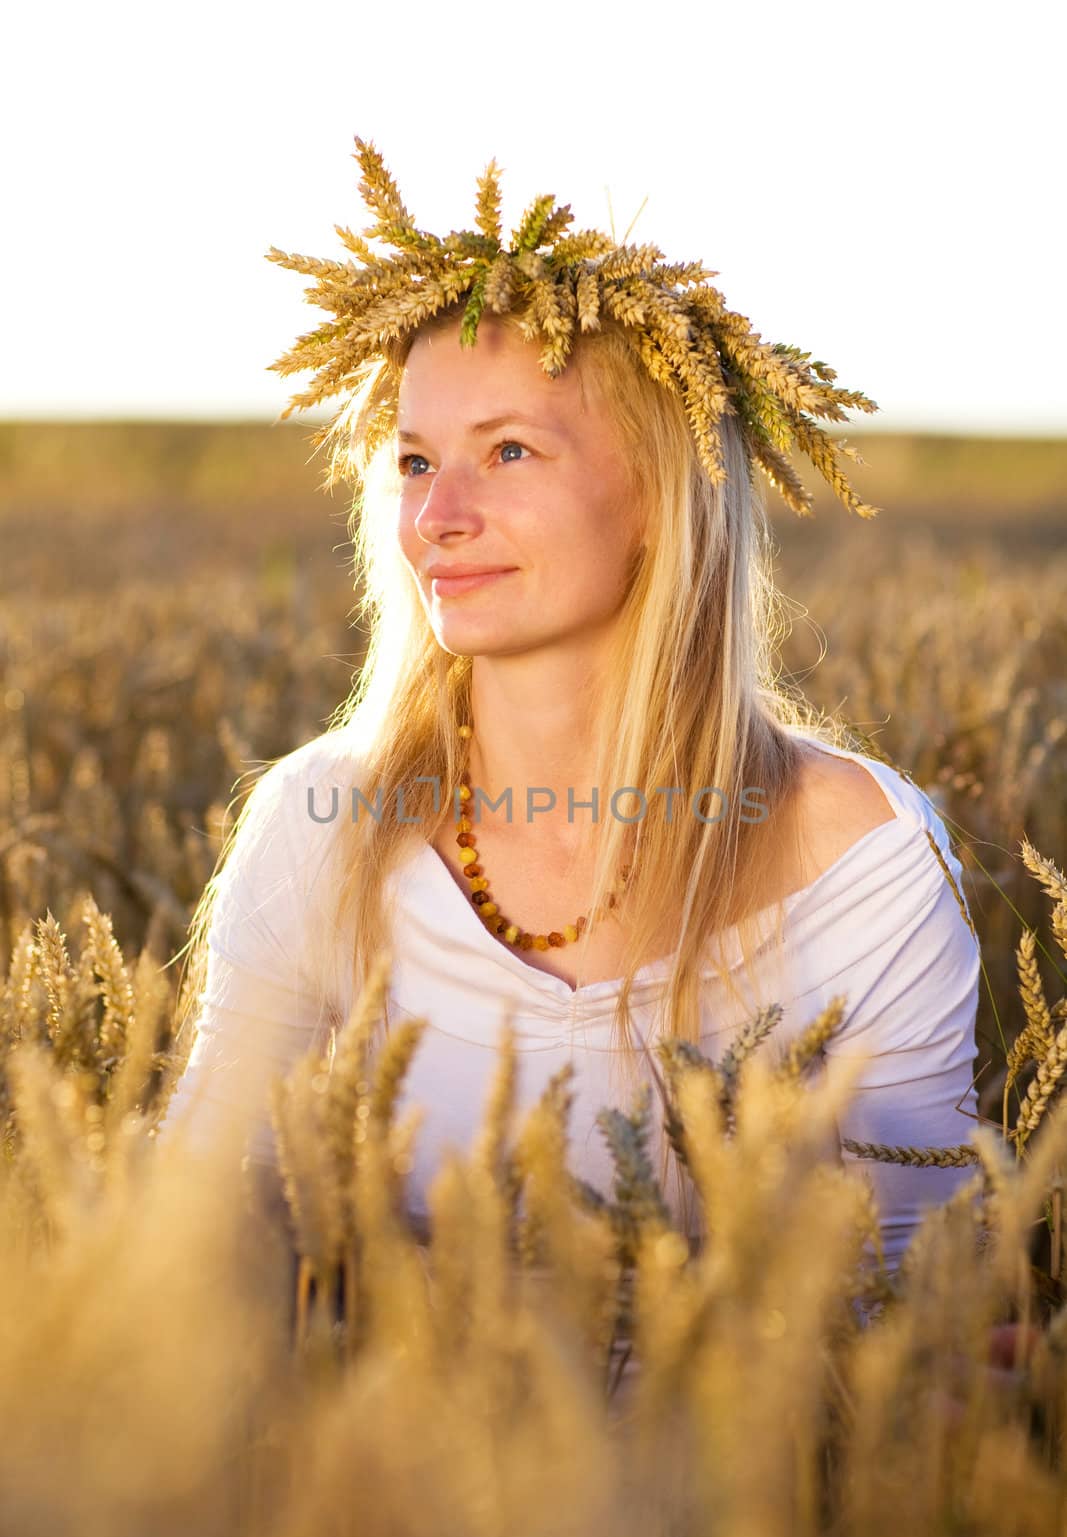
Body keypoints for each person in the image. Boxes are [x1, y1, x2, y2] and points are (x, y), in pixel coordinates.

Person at [158, 138, 982, 1287]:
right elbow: (192, 1256)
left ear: (654, 494)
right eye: (410, 461)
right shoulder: (323, 823)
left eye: (506, 450)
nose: (437, 515)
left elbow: (910, 1299)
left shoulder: (854, 855)